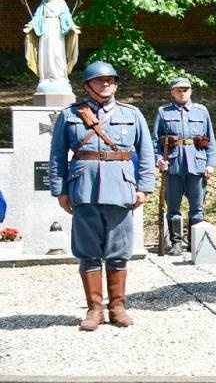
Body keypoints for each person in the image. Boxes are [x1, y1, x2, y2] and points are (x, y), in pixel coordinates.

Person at [47, 60, 155, 330]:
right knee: (88, 252)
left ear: (116, 84)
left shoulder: (132, 114)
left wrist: (144, 186)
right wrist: (59, 190)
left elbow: (145, 153)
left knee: (119, 251)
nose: (106, 84)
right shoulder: (70, 115)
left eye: (111, 80)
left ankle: (117, 306)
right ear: (87, 85)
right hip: (84, 188)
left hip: (120, 187)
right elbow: (57, 155)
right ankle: (94, 309)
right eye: (100, 80)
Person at [153, 77, 216, 251]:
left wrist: (211, 163)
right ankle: (176, 243)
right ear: (172, 92)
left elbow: (210, 140)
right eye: (178, 90)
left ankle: (194, 242)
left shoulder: (201, 111)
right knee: (173, 207)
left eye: (186, 90)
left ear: (191, 91)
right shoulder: (163, 112)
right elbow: (155, 141)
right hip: (173, 166)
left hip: (197, 166)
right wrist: (158, 159)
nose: (182, 93)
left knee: (197, 207)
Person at [24, 0, 80, 92]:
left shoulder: (62, 3)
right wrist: (30, 26)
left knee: (57, 53)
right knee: (47, 53)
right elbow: (37, 16)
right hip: (46, 30)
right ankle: (46, 77)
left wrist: (73, 27)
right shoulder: (44, 3)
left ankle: (60, 77)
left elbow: (67, 17)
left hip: (57, 29)